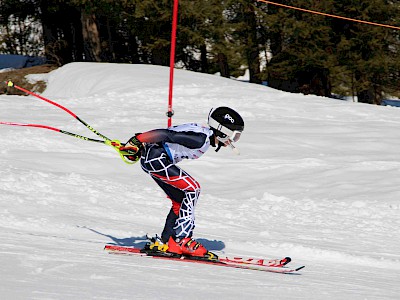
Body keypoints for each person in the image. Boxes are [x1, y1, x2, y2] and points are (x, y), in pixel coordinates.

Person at [119, 107, 244, 258]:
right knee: (193, 188)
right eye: (234, 136)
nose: (233, 141)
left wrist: (140, 145)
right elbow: (167, 135)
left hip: (154, 158)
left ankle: (166, 242)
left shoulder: (203, 134)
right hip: (156, 159)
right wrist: (137, 141)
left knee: (179, 200)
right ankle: (182, 240)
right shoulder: (201, 139)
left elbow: (168, 137)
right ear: (223, 131)